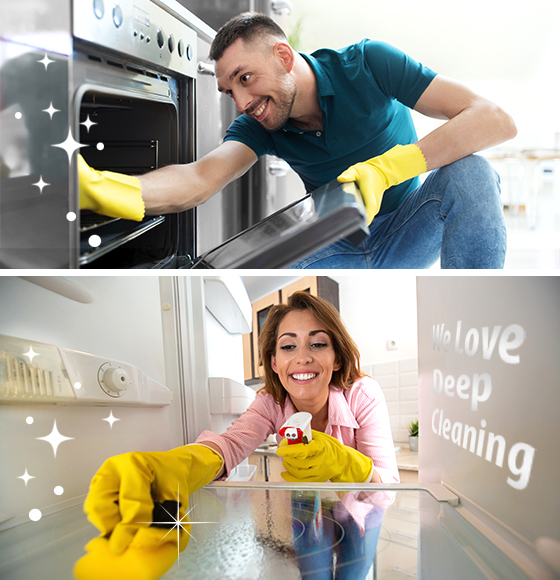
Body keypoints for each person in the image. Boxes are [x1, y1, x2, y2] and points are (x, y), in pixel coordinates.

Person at [79, 12, 517, 269]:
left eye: (246, 78)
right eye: (230, 90)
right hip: (336, 247)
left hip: (407, 229)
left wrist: (389, 168)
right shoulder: (260, 124)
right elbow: (199, 179)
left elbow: (494, 119)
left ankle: (476, 311)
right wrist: (102, 189)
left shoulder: (368, 64)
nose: (243, 101)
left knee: (472, 172)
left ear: (284, 56)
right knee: (249, 272)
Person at [75, 291, 398, 580]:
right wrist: (175, 468)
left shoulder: (363, 394)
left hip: (361, 509)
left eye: (317, 343)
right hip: (305, 502)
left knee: (355, 573)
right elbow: (231, 443)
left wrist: (350, 465)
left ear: (337, 357)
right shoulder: (270, 402)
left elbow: (388, 490)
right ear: (273, 362)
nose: (302, 357)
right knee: (313, 574)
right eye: (288, 346)